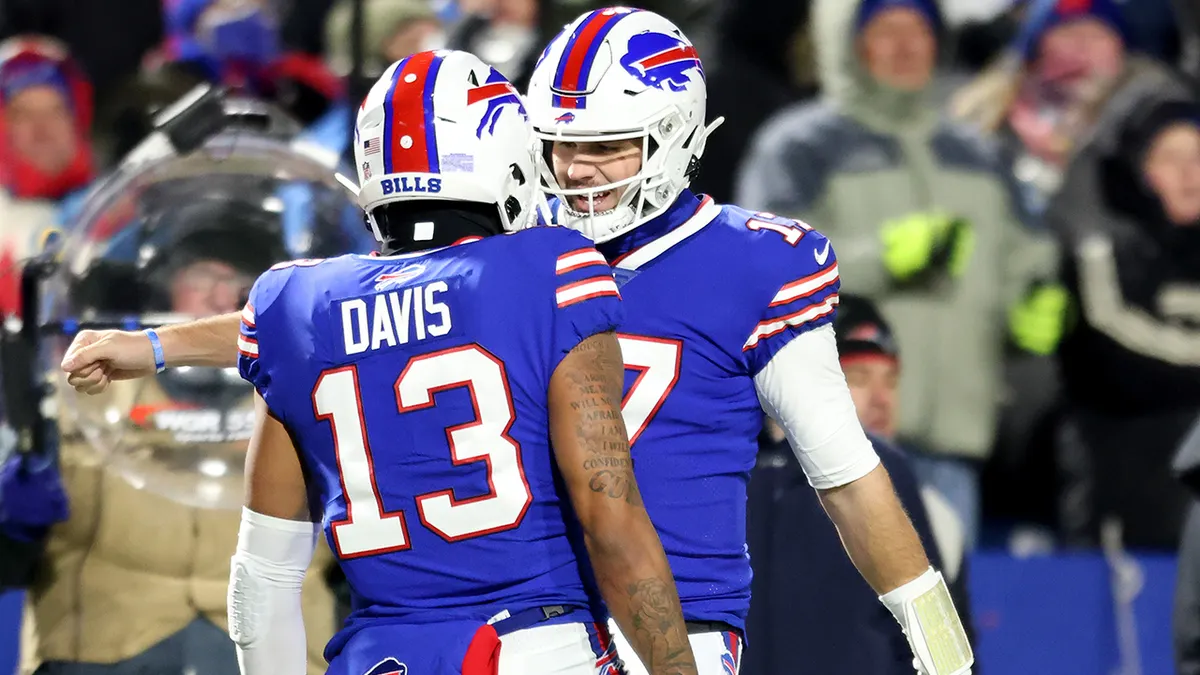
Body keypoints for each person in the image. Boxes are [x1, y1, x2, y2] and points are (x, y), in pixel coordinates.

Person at [62, 49, 697, 675]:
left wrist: (155, 345)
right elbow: (610, 521)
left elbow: (263, 580)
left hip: (381, 657)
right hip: (535, 647)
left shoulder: (292, 308)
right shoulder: (551, 271)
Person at [526, 8, 971, 674]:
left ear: (674, 136)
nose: (577, 171)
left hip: (680, 626)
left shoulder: (754, 265)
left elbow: (846, 474)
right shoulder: (511, 249)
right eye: (561, 145)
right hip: (528, 621)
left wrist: (944, 649)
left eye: (607, 145)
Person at [745, 294, 974, 675]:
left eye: (891, 381)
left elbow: (952, 650)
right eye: (858, 378)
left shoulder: (933, 509)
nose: (882, 400)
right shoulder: (734, 477)